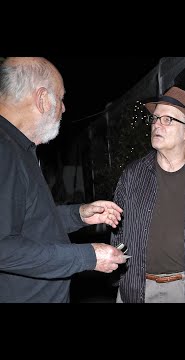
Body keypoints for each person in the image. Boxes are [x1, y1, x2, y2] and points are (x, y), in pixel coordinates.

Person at [0, 57, 126, 303]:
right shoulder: (4, 150)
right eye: (60, 98)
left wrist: (78, 215)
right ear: (41, 99)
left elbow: (25, 221)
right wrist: (87, 256)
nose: (64, 108)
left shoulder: (19, 149)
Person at [111, 86, 185, 303]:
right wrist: (121, 274)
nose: (157, 125)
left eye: (168, 120)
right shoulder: (133, 174)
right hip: (135, 288)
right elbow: (117, 228)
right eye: (155, 118)